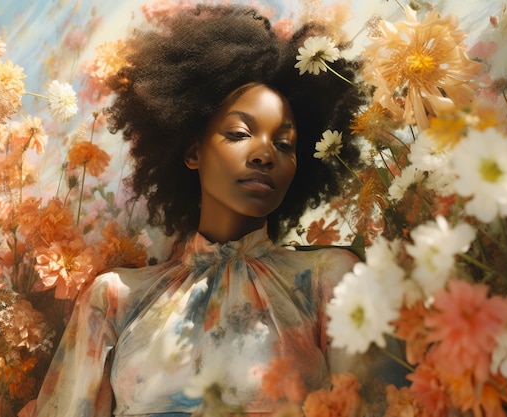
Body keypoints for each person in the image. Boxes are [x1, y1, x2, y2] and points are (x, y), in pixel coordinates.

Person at [34, 3, 404, 417]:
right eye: (240, 133)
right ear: (193, 150)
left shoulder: (328, 280)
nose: (265, 153)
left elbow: (380, 406)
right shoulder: (116, 298)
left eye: (285, 144)